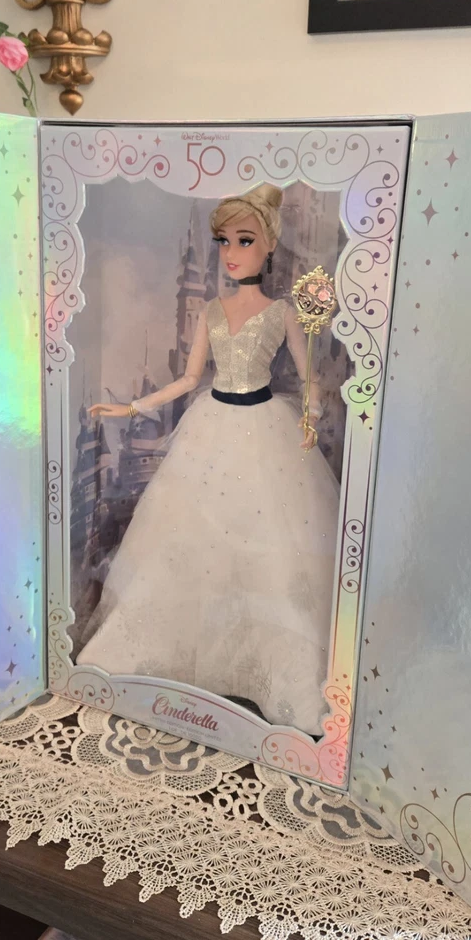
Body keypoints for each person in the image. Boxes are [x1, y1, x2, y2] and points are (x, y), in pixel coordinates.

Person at [76, 184, 341, 736]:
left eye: (244, 240)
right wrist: (131, 406)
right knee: (186, 545)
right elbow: (189, 379)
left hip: (266, 429)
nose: (230, 253)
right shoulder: (212, 311)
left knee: (268, 550)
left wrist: (312, 411)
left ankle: (270, 671)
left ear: (269, 245)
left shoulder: (282, 313)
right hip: (212, 424)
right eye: (223, 241)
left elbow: (309, 375)